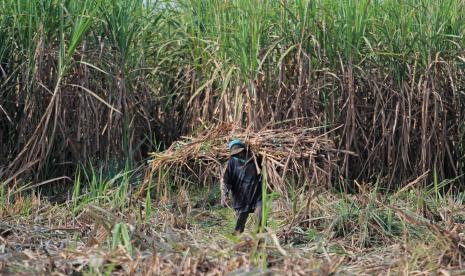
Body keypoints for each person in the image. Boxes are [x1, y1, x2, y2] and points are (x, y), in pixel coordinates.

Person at [221, 139, 263, 235]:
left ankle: (259, 238)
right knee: (240, 221)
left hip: (256, 193)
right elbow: (227, 180)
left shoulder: (255, 158)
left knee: (260, 217)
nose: (239, 154)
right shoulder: (232, 162)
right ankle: (236, 239)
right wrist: (225, 194)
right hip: (241, 195)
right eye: (236, 153)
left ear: (244, 149)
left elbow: (266, 169)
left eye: (240, 151)